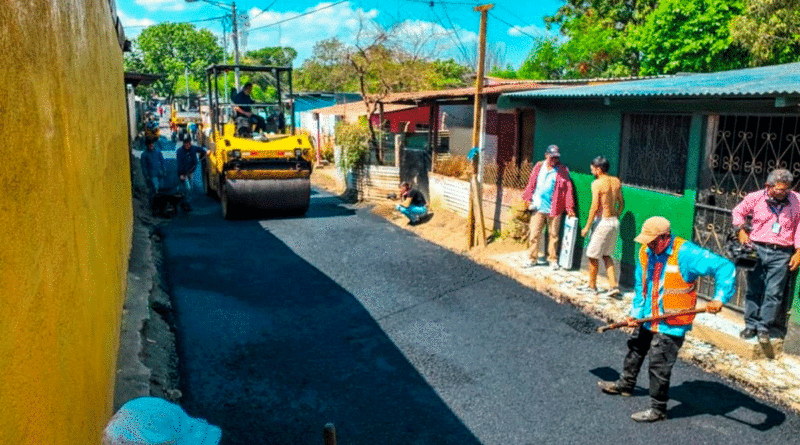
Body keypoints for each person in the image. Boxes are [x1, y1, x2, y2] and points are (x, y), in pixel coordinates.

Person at [598, 216, 734, 422]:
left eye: (653, 241)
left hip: (672, 322)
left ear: (666, 237)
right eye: (647, 241)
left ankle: (658, 409)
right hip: (648, 316)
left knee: (658, 364)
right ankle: (626, 385)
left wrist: (719, 298)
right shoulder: (645, 251)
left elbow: (725, 267)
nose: (649, 245)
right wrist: (635, 313)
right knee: (635, 348)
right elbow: (640, 285)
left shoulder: (686, 253)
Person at [731, 168, 800, 342]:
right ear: (768, 186)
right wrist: (740, 230)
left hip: (782, 252)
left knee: (774, 292)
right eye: (778, 190)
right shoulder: (756, 197)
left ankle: (763, 327)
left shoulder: (797, 201)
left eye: (785, 190)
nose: (781, 193)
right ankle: (750, 325)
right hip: (757, 249)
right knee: (754, 289)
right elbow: (738, 212)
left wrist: (799, 252)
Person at [521, 144, 576, 269]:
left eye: (556, 158)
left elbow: (568, 190)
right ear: (546, 155)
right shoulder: (539, 167)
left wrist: (569, 208)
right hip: (538, 207)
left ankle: (552, 259)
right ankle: (532, 258)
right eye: (552, 157)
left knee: (554, 235)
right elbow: (531, 183)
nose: (554, 160)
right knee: (534, 234)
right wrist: (527, 198)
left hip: (554, 208)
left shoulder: (562, 170)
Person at [580, 156, 624, 296]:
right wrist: (616, 214)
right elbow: (621, 203)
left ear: (598, 169)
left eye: (592, 168)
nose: (591, 171)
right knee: (606, 255)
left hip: (603, 222)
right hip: (614, 222)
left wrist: (587, 227)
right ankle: (613, 286)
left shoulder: (597, 184)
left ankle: (592, 287)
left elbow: (594, 207)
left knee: (592, 255)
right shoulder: (616, 181)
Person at [176, 135, 207, 212]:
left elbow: (200, 149)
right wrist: (181, 175)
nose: (188, 146)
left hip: (191, 171)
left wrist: (206, 150)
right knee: (187, 188)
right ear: (184, 144)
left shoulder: (192, 148)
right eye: (187, 144)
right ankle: (184, 203)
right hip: (184, 173)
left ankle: (186, 203)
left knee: (191, 188)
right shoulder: (180, 152)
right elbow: (179, 164)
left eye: (189, 144)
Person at [140, 140, 166, 209]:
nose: (151, 145)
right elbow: (144, 167)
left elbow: (162, 162)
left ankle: (160, 206)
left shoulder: (157, 152)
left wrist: (164, 171)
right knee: (155, 189)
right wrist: (147, 177)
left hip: (160, 174)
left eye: (152, 143)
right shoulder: (144, 155)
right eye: (149, 144)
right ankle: (153, 206)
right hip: (152, 176)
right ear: (147, 145)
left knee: (161, 190)